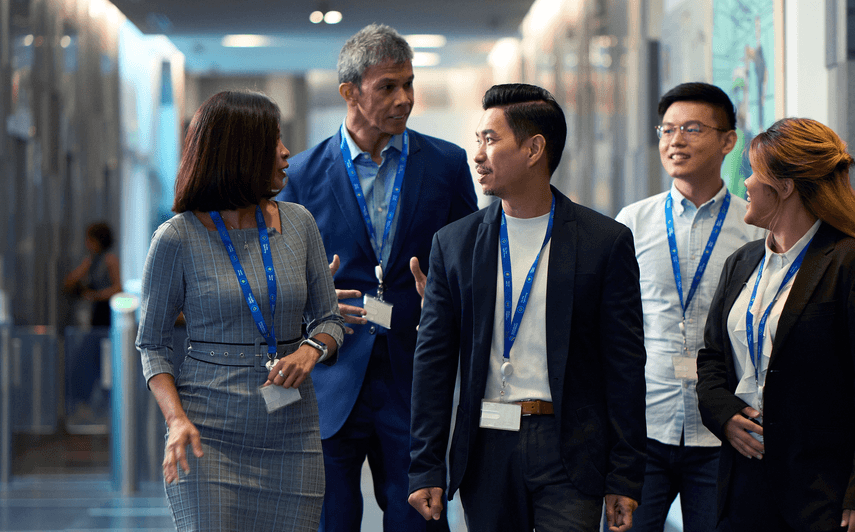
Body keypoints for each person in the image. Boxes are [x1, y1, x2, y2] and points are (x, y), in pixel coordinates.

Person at [407, 83, 647, 532]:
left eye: (491, 139)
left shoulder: (603, 242)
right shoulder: (454, 244)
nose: (478, 155)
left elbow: (625, 366)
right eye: (478, 140)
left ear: (534, 149)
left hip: (569, 446)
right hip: (485, 446)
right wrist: (425, 464)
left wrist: (625, 474)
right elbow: (433, 362)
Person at [277, 23, 477, 532]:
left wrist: (447, 293)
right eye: (387, 87)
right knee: (329, 521)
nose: (404, 98)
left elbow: (472, 264)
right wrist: (310, 297)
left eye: (408, 84)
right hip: (331, 375)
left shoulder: (447, 165)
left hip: (415, 376)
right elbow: (278, 281)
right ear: (350, 92)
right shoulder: (300, 176)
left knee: (418, 520)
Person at [136, 90, 345, 531]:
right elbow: (152, 344)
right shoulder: (176, 237)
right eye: (273, 141)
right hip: (206, 432)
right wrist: (175, 420)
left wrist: (310, 350)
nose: (286, 152)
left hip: (292, 433)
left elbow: (329, 318)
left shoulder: (300, 223)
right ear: (239, 151)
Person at [613, 82, 764, 531]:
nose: (675, 141)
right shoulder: (632, 222)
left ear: (728, 141)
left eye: (692, 129)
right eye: (667, 129)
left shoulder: (754, 227)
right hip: (644, 426)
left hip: (721, 429)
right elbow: (612, 325)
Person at [696, 117, 855, 532]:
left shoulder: (846, 261)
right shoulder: (742, 261)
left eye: (754, 172)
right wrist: (724, 415)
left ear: (784, 187)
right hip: (743, 480)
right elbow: (711, 358)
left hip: (820, 489)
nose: (745, 183)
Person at [63, 222, 122, 327]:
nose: (87, 243)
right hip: (93, 310)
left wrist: (95, 296)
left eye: (90, 240)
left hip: (107, 311)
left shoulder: (110, 260)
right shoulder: (91, 260)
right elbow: (68, 283)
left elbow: (118, 289)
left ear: (98, 241)